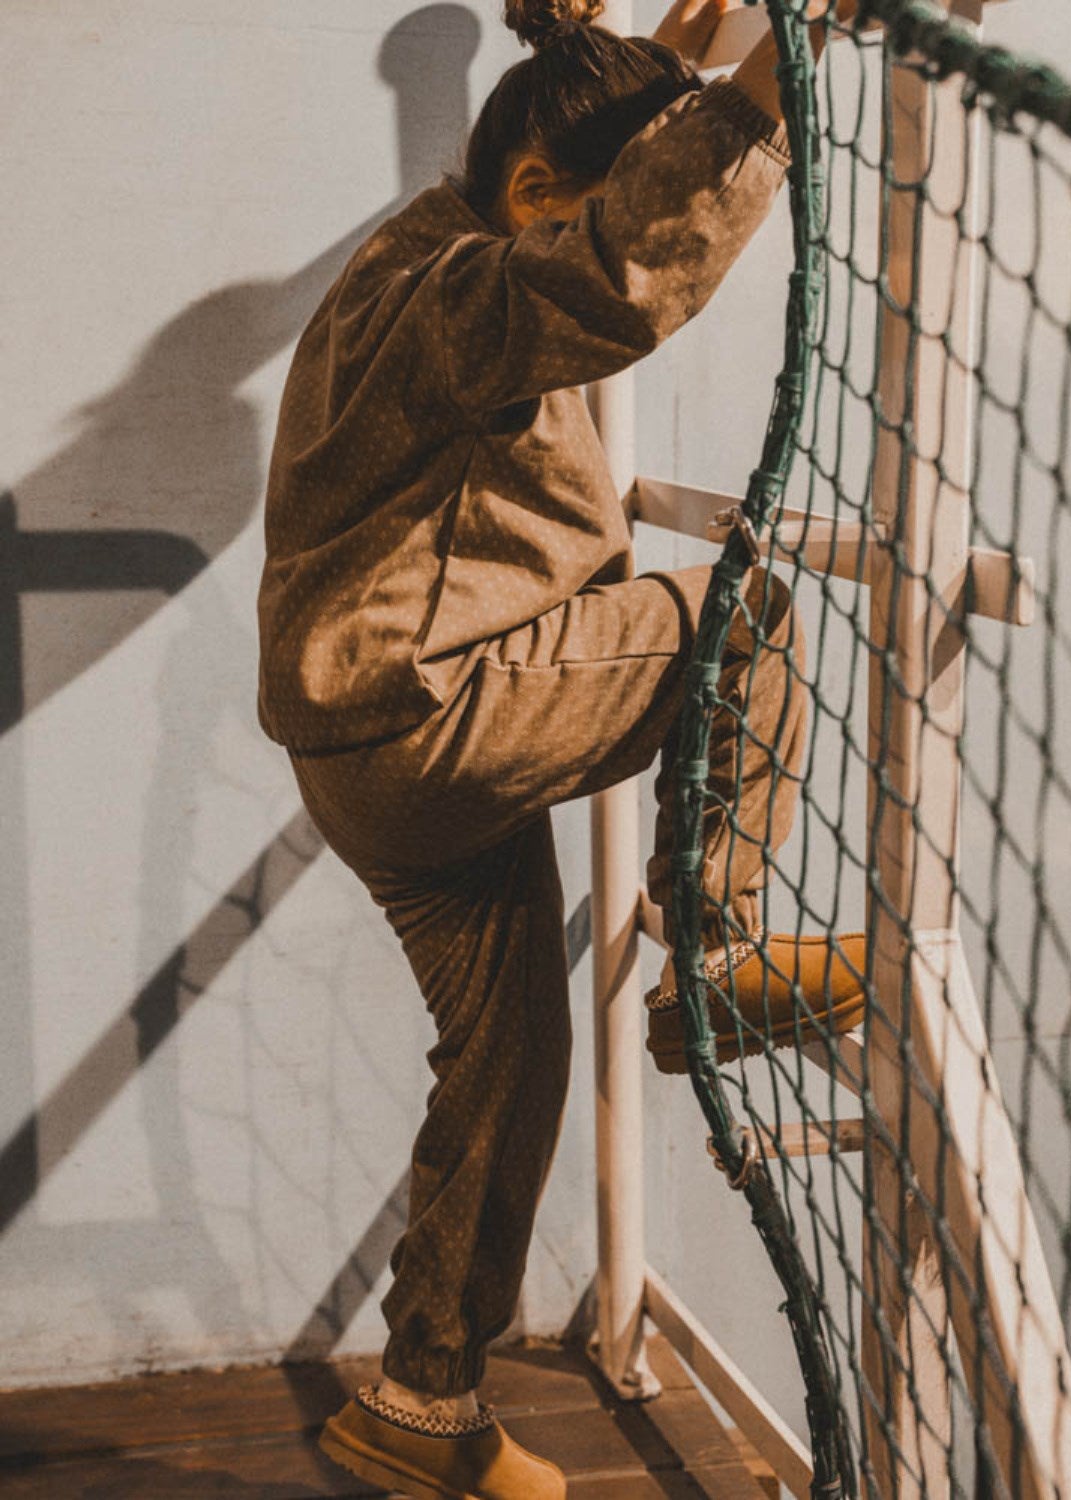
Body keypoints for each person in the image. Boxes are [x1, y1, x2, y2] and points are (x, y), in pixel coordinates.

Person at [255, 0, 864, 1493]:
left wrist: (691, 51)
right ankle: (711, 965)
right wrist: (770, 85)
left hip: (369, 743)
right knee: (745, 610)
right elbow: (617, 266)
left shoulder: (420, 259)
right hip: (431, 716)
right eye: (579, 203)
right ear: (534, 190)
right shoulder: (450, 293)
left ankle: (422, 1403)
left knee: (511, 1056)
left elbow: (609, 196)